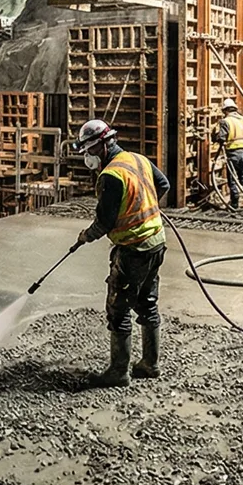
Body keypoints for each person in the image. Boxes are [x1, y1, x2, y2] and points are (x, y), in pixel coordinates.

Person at [71, 119, 169, 386]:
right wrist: (145, 206)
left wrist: (85, 236)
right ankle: (150, 364)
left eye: (89, 152)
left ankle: (118, 372)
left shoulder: (111, 175)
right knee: (148, 304)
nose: (88, 158)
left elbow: (104, 222)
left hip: (133, 248)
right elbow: (164, 185)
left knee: (119, 309)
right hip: (156, 242)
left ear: (101, 146)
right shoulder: (137, 159)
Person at [208, 98, 243, 209]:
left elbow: (222, 138)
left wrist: (215, 136)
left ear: (225, 110)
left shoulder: (226, 121)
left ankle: (234, 204)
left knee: (232, 179)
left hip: (233, 152)